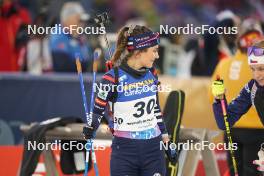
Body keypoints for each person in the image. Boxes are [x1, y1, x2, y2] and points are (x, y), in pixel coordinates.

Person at [83, 25, 177, 175]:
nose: (157, 56)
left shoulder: (152, 73)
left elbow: (156, 110)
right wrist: (91, 127)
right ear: (139, 52)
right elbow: (97, 111)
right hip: (125, 151)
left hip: (153, 150)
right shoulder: (111, 78)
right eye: (154, 51)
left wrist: (166, 141)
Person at [211, 39, 264, 176]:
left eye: (261, 69)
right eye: (253, 69)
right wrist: (219, 101)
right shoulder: (252, 87)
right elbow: (225, 122)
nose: (256, 75)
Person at [49, 2, 92, 72]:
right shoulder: (58, 34)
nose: (82, 24)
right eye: (79, 20)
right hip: (63, 81)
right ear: (67, 19)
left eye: (83, 21)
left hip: (81, 80)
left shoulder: (80, 37)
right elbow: (62, 66)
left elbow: (89, 59)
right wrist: (88, 64)